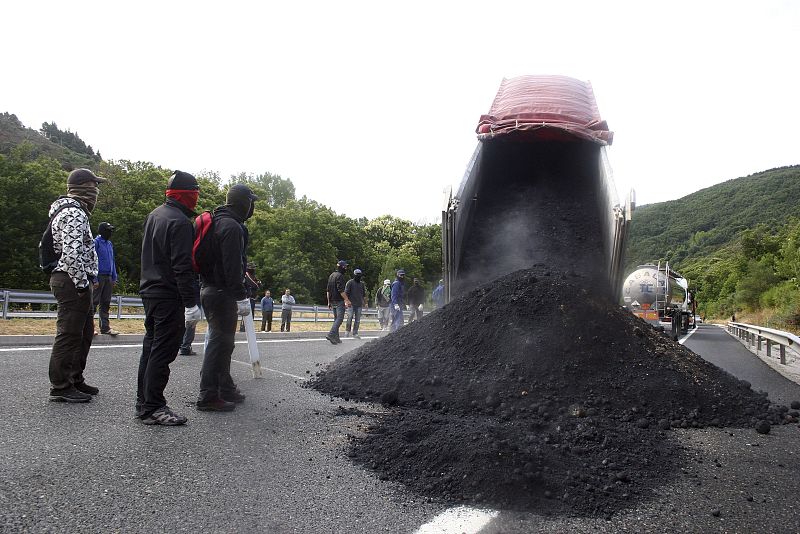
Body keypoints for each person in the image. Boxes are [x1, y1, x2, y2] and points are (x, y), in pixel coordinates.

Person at [137, 170, 201, 425]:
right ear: (187, 195)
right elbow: (182, 266)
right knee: (163, 352)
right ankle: (154, 406)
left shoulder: (154, 215)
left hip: (149, 290)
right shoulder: (180, 222)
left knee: (150, 348)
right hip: (168, 294)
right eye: (195, 193)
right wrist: (190, 303)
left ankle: (143, 402)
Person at [47, 168, 107, 403]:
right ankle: (61, 386)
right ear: (85, 187)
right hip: (71, 280)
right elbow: (72, 254)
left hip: (74, 279)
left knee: (84, 333)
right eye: (94, 185)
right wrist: (82, 285)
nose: (96, 191)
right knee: (70, 334)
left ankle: (74, 378)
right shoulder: (74, 213)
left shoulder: (73, 210)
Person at [196, 183, 258, 412]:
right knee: (218, 343)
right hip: (222, 292)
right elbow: (233, 267)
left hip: (209, 288)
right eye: (250, 202)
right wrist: (241, 296)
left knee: (224, 344)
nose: (251, 207)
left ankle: (225, 387)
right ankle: (208, 395)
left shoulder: (217, 220)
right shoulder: (232, 227)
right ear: (243, 202)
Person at [92, 221, 120, 336]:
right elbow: (92, 260)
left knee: (106, 303)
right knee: (94, 302)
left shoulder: (109, 244)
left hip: (108, 276)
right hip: (98, 276)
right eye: (108, 230)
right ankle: (89, 327)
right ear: (102, 231)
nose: (110, 233)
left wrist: (114, 277)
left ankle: (105, 327)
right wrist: (94, 279)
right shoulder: (96, 243)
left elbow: (112, 261)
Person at [325, 260, 352, 344]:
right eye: (345, 267)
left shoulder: (332, 275)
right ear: (342, 267)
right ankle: (331, 334)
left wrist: (328, 302)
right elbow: (341, 290)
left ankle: (336, 338)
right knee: (339, 319)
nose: (346, 268)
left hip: (332, 300)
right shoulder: (340, 276)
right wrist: (347, 300)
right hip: (339, 301)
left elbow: (328, 290)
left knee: (336, 319)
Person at [179, 274, 201, 356]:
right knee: (192, 317)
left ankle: (182, 344)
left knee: (182, 315)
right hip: (192, 283)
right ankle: (186, 345)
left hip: (179, 283)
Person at [344, 268, 367, 338]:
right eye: (357, 275)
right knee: (349, 317)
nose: (358, 276)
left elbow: (364, 294)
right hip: (351, 304)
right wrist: (346, 301)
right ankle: (347, 331)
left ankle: (355, 333)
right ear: (354, 275)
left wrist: (365, 303)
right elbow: (346, 293)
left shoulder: (362, 284)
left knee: (357, 320)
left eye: (360, 275)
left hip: (359, 304)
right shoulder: (350, 283)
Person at [239, 262, 261, 332]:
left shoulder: (253, 276)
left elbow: (258, 284)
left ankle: (249, 328)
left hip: (253, 298)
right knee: (246, 313)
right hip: (247, 297)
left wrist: (258, 283)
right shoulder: (246, 274)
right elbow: (253, 284)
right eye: (252, 267)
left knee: (251, 314)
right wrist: (257, 284)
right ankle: (243, 328)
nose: (254, 269)